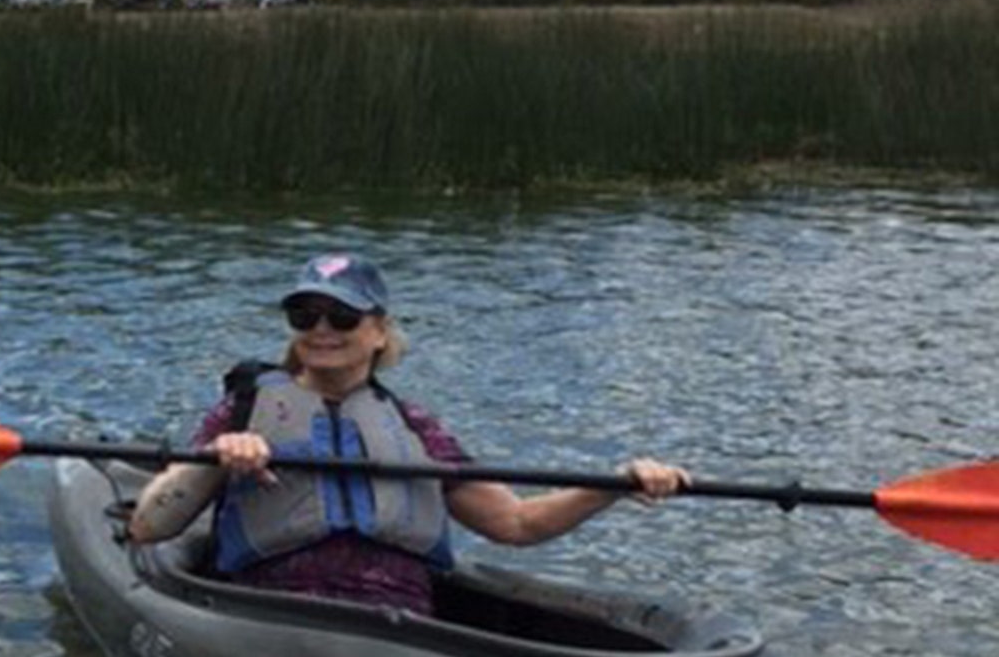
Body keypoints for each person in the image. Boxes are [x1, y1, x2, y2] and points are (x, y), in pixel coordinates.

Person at [127, 253, 689, 615]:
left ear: (378, 332)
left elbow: (516, 524)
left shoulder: (414, 427)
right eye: (306, 316)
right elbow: (151, 526)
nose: (322, 330)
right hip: (276, 618)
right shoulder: (244, 410)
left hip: (397, 626)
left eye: (342, 317)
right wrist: (215, 459)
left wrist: (614, 485)